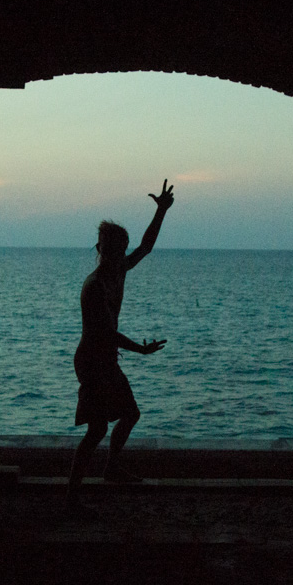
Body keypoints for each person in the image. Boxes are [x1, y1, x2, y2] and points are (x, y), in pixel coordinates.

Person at [66, 179, 175, 518]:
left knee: (129, 414)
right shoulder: (96, 285)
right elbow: (106, 333)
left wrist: (160, 211)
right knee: (97, 428)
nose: (125, 252)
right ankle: (72, 494)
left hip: (106, 360)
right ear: (104, 249)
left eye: (124, 246)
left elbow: (145, 247)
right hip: (93, 361)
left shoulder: (119, 271)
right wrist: (140, 351)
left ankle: (111, 468)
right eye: (119, 247)